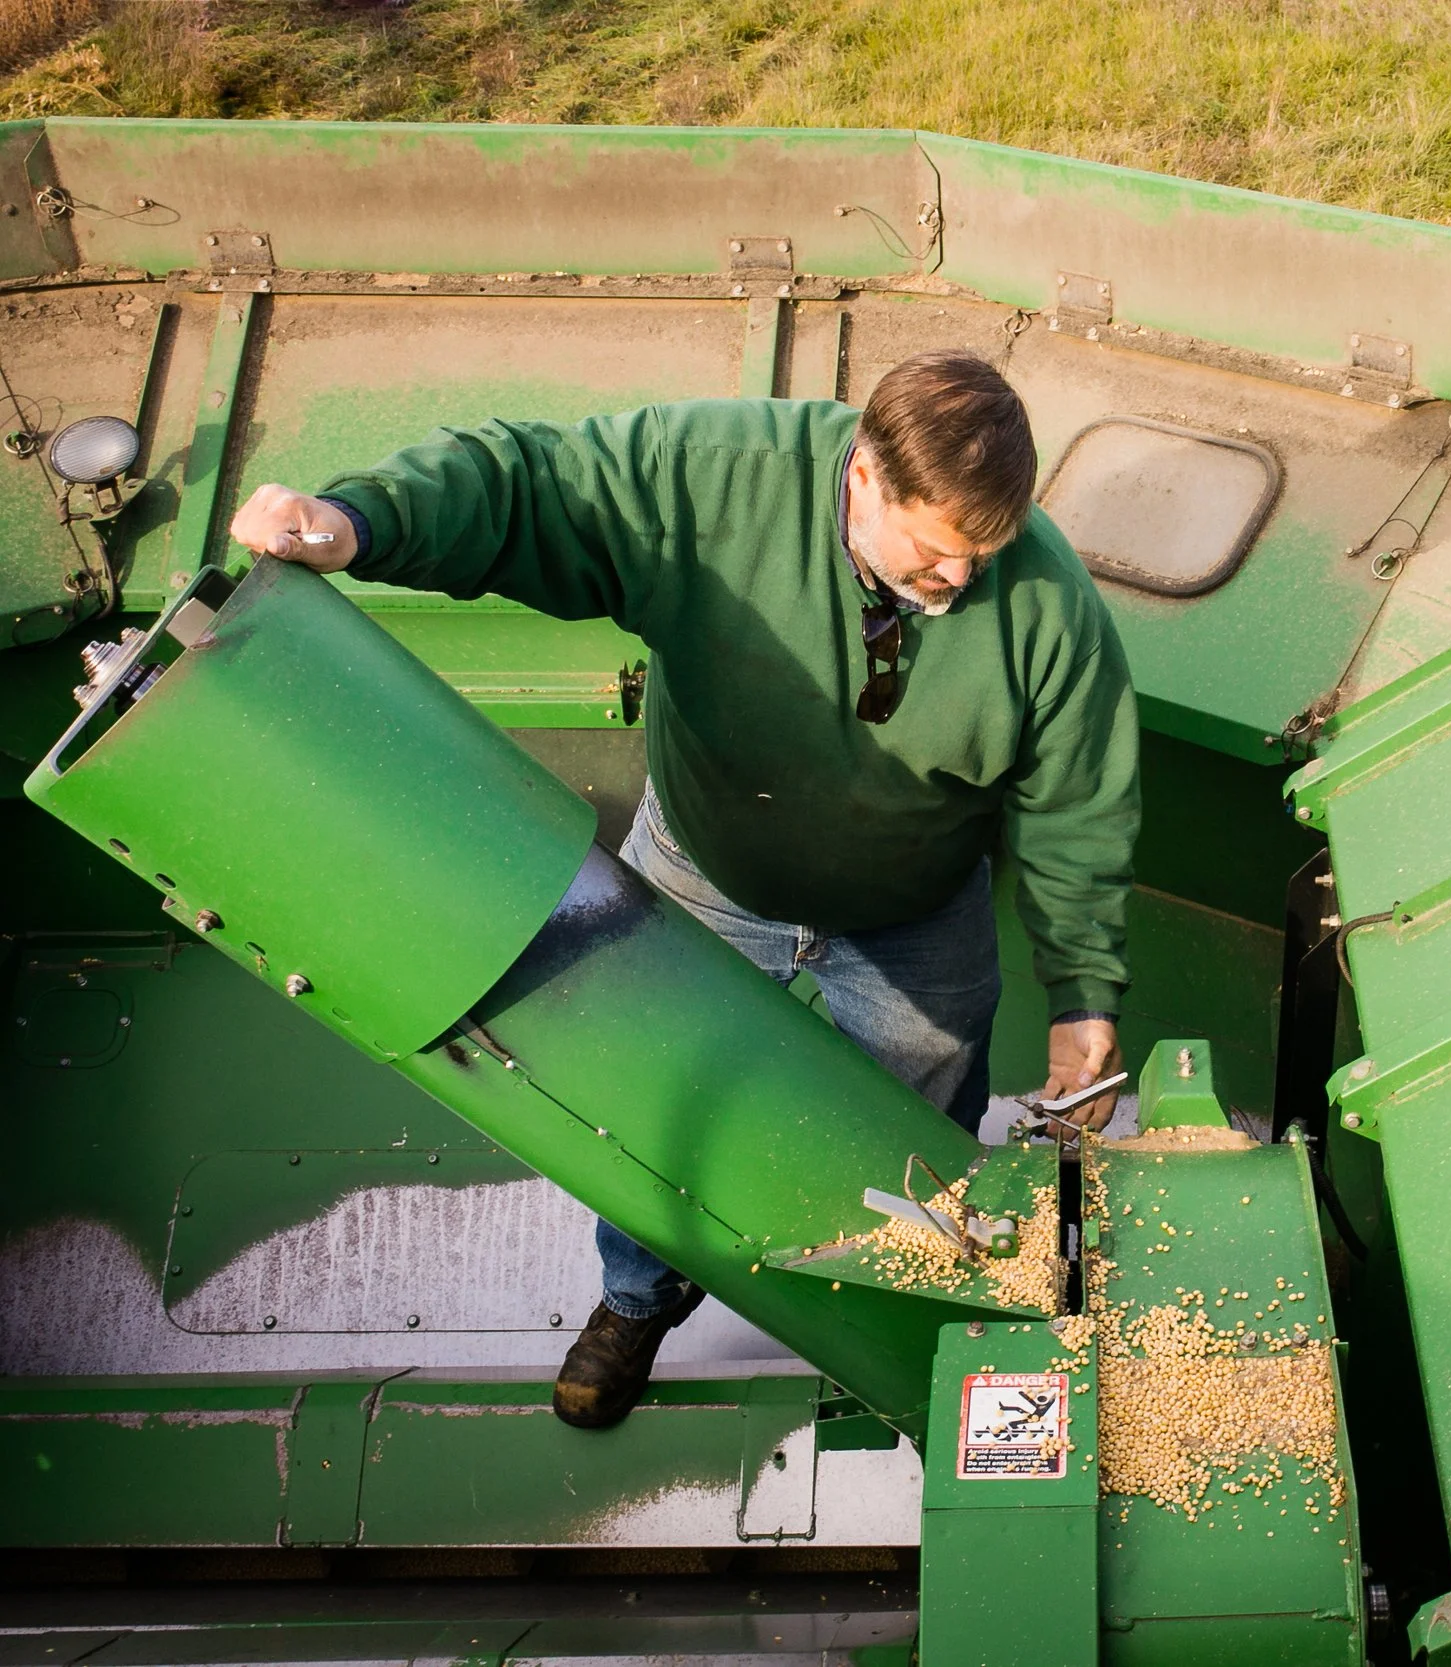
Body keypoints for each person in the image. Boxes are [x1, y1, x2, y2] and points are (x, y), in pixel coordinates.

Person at [230, 351, 1139, 1429]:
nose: (959, 584)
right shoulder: (717, 477)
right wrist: (356, 519)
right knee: (654, 1108)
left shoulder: (1049, 609)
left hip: (914, 910)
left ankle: (902, 1318)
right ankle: (636, 1296)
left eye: (981, 557)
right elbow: (532, 483)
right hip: (708, 870)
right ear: (861, 475)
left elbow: (1079, 806)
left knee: (915, 1137)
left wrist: (1085, 995)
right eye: (936, 556)